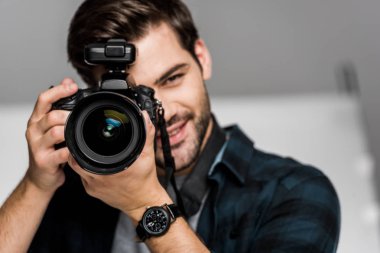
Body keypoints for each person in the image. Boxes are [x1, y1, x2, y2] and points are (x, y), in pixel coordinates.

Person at [0, 0, 340, 252]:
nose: (162, 110)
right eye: (136, 97)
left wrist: (143, 203)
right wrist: (36, 184)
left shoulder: (292, 192)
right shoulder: (76, 192)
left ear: (201, 58)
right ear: (99, 97)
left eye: (173, 78)